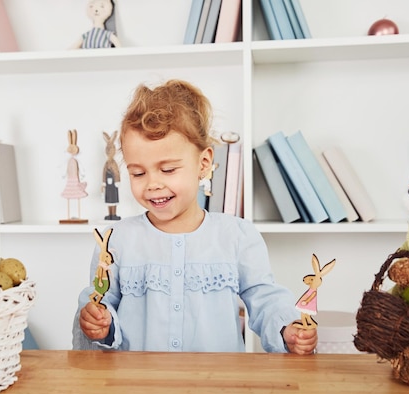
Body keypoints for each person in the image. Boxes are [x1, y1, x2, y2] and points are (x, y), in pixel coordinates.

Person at [72, 79, 317, 354]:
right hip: (137, 388)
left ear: (203, 164)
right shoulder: (115, 241)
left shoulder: (237, 236)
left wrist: (288, 330)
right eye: (138, 173)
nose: (152, 184)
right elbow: (100, 301)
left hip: (217, 388)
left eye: (168, 170)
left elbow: (266, 299)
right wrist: (98, 322)